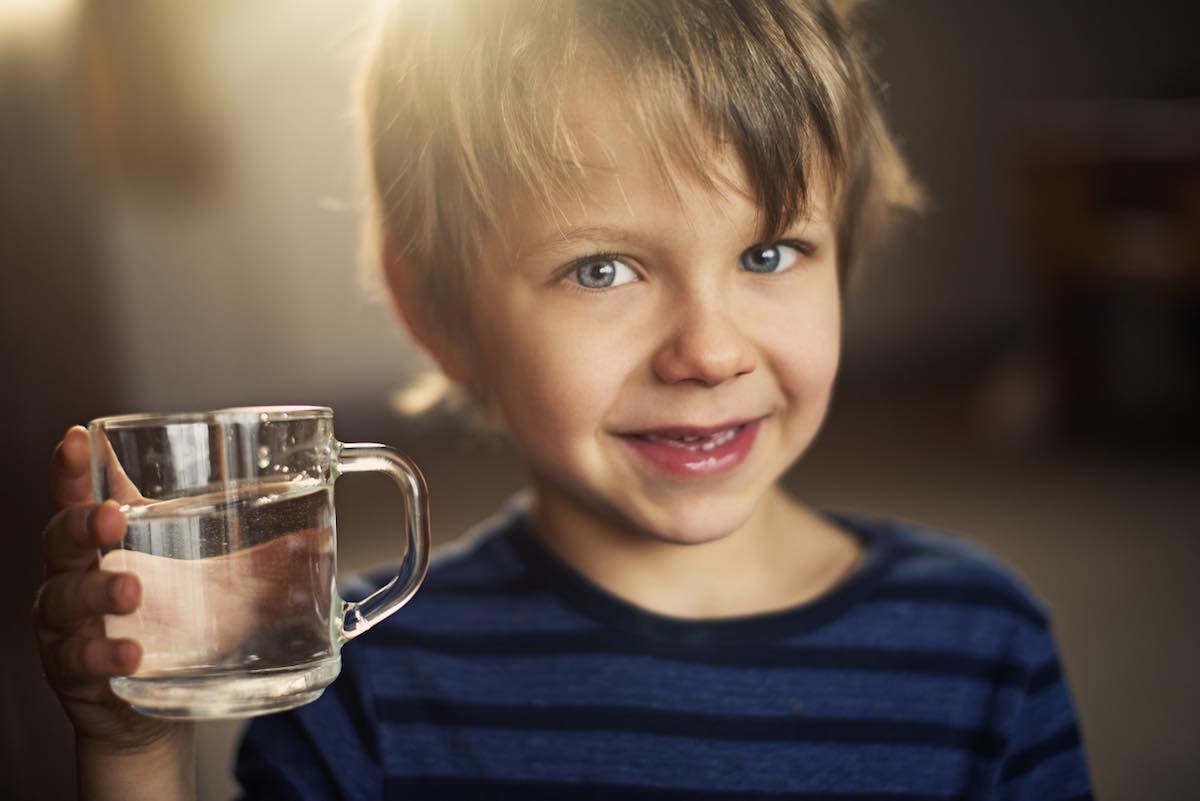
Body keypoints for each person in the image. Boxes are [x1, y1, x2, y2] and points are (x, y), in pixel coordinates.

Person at [34, 1, 1093, 798]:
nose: (710, 351)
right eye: (602, 271)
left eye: (771, 251)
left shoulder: (981, 643)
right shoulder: (365, 688)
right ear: (437, 312)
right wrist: (133, 747)